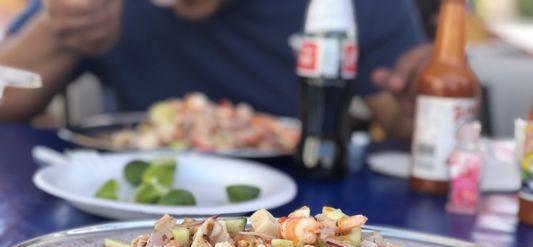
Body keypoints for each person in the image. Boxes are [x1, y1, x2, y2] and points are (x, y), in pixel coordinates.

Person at [0, 0, 431, 131]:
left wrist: (425, 94)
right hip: (130, 212)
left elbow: (401, 122)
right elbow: (7, 99)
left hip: (312, 209)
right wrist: (57, 29)